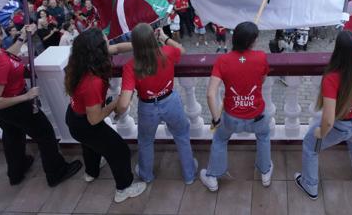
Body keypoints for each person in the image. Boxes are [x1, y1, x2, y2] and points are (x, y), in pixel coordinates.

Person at [0, 19, 81, 186]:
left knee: (13, 136)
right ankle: (56, 172)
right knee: (45, 135)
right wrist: (26, 96)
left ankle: (16, 171)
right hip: (15, 105)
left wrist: (22, 37)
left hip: (5, 110)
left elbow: (7, 56)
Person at [65, 28, 146, 203]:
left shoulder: (82, 61)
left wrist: (140, 44)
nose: (109, 41)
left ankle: (91, 172)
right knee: (119, 151)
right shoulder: (92, 82)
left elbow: (116, 49)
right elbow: (94, 119)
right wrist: (114, 103)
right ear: (98, 49)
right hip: (87, 123)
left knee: (90, 146)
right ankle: (124, 188)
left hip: (74, 117)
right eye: (105, 40)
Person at [295, 30, 352, 200]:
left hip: (341, 125)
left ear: (338, 50)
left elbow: (329, 119)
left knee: (311, 146)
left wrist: (320, 133)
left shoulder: (332, 78)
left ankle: (310, 184)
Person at [117, 24, 197, 184]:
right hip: (170, 100)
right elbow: (181, 50)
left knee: (146, 141)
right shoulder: (167, 52)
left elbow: (124, 102)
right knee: (181, 136)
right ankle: (189, 174)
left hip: (147, 106)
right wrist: (165, 38)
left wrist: (118, 111)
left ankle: (146, 175)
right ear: (153, 38)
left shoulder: (130, 66)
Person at [200, 22, 273, 191]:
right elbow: (262, 79)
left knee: (219, 139)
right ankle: (265, 173)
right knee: (263, 138)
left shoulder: (223, 60)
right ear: (252, 41)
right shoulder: (261, 57)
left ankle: (212, 177)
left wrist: (216, 118)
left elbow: (211, 93)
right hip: (257, 115)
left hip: (231, 116)